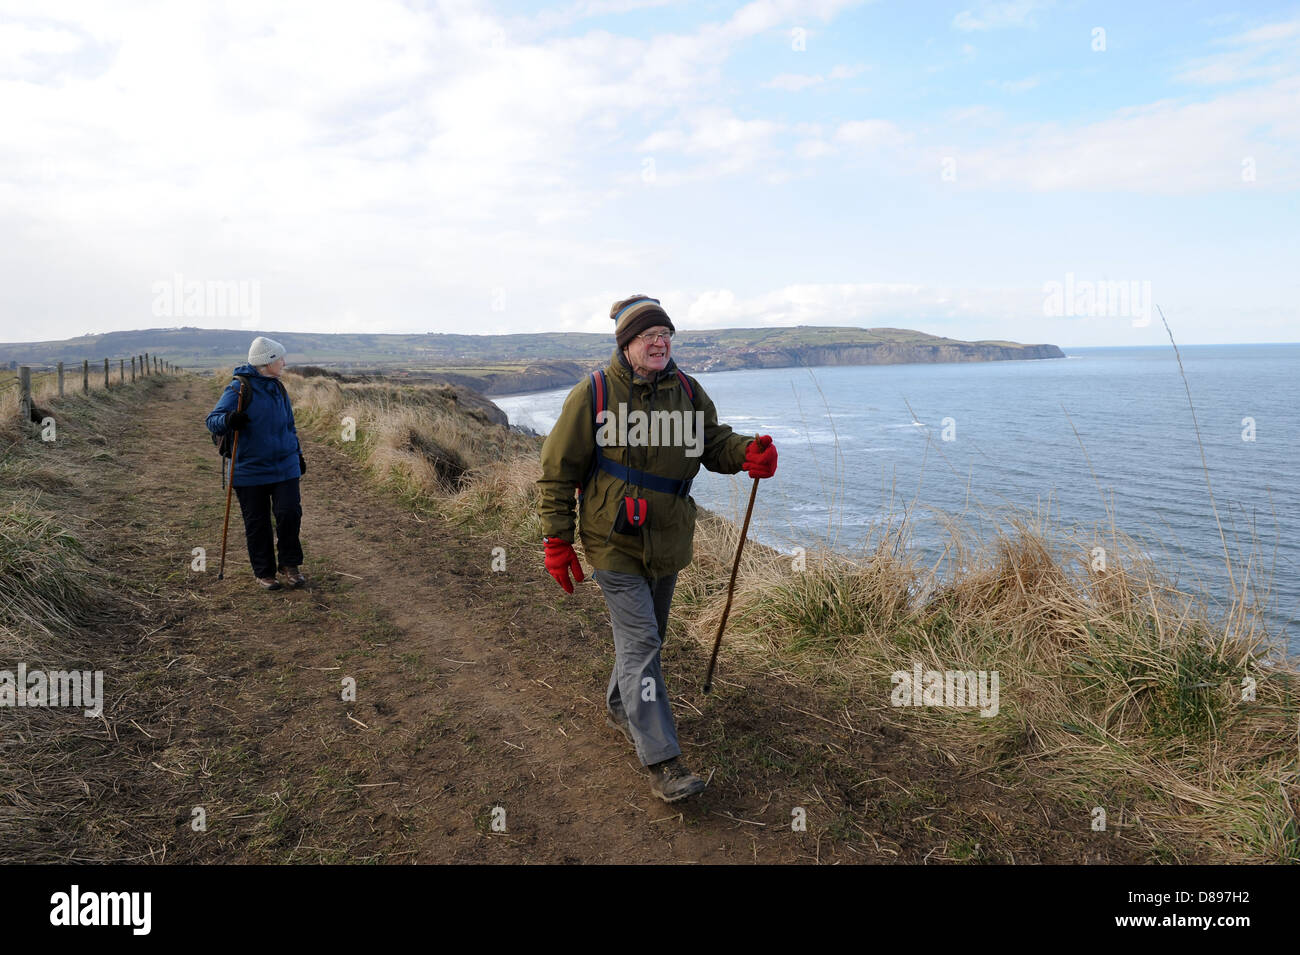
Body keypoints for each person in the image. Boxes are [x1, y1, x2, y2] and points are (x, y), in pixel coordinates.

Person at [537, 295, 778, 803]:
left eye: (665, 334)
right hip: (612, 540)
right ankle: (664, 762)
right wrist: (557, 539)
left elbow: (713, 445)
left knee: (645, 640)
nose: (659, 342)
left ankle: (623, 707)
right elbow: (558, 470)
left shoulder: (687, 391)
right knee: (643, 643)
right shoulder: (594, 393)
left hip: (669, 538)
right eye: (648, 336)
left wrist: (748, 452)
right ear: (626, 344)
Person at [205, 337, 308, 591]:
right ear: (267, 362)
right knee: (257, 522)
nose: (284, 362)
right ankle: (264, 572)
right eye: (280, 358)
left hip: (284, 465)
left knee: (289, 514)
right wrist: (230, 419)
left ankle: (289, 564)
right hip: (249, 469)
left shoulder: (279, 388)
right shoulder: (238, 389)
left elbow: (289, 427)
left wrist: (298, 454)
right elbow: (212, 420)